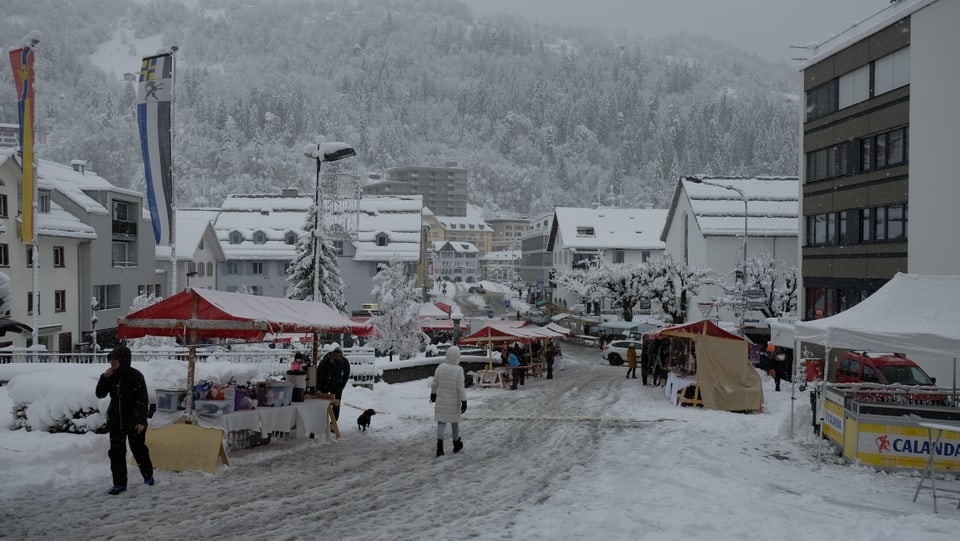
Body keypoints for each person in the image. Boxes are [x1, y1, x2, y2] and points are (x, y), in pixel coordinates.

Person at [94, 345, 154, 495]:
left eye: (115, 360)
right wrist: (104, 378)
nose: (112, 363)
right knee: (116, 452)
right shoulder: (111, 375)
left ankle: (148, 475)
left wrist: (141, 420)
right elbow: (100, 394)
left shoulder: (135, 376)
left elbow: (142, 399)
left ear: (123, 360)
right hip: (116, 420)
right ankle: (119, 483)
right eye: (111, 360)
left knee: (139, 449)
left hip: (134, 421)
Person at [430, 346, 468, 457]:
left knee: (441, 422)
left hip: (441, 399)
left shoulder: (440, 367)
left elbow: (435, 383)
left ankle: (439, 448)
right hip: (454, 400)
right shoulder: (459, 369)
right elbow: (460, 387)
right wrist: (464, 400)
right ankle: (456, 443)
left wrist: (433, 393)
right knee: (454, 422)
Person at [317, 343, 351, 422]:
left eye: (339, 356)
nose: (337, 358)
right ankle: (321, 421)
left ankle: (333, 423)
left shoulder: (345, 362)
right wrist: (319, 387)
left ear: (341, 356)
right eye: (335, 356)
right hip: (324, 384)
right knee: (323, 403)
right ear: (332, 355)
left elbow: (346, 375)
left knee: (336, 404)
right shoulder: (325, 362)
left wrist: (341, 386)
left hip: (337, 385)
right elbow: (319, 374)